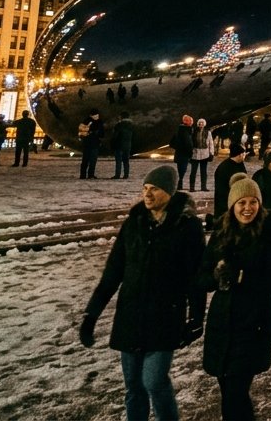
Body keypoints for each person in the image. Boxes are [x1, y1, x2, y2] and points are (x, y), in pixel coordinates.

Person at [78, 165, 206, 420]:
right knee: (133, 387)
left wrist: (196, 318)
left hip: (165, 317)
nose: (147, 194)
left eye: (154, 189)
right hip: (131, 316)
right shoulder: (133, 223)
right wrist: (91, 315)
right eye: (145, 188)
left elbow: (196, 277)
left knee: (154, 381)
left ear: (169, 192)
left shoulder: (187, 226)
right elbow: (113, 273)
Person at [198, 173, 271, 420]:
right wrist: (216, 275)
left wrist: (240, 277)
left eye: (252, 202)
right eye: (242, 203)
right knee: (227, 389)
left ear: (260, 204)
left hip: (253, 321)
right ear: (232, 206)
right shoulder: (221, 232)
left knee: (235, 391)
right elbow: (202, 276)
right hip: (222, 321)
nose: (247, 208)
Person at [213, 141, 249, 221]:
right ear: (239, 155)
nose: (245, 156)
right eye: (244, 154)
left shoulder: (240, 164)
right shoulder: (224, 168)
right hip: (226, 202)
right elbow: (221, 189)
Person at [190, 118, 215, 191]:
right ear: (198, 124)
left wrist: (211, 152)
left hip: (205, 154)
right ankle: (192, 187)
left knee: (203, 172)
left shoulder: (208, 132)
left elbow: (211, 143)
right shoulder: (194, 131)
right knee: (193, 171)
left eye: (202, 123)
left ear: (204, 124)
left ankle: (203, 187)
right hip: (195, 153)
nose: (201, 124)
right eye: (200, 123)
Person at [170, 114, 195, 188]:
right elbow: (188, 144)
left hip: (180, 154)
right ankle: (179, 184)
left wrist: (178, 148)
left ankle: (179, 184)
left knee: (181, 170)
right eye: (190, 121)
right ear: (186, 121)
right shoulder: (185, 131)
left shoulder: (179, 130)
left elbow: (171, 143)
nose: (192, 122)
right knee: (182, 170)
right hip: (184, 154)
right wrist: (190, 154)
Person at [79, 108, 105, 179]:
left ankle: (83, 175)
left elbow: (81, 132)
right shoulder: (99, 122)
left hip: (87, 143)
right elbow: (102, 133)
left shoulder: (86, 121)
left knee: (85, 160)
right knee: (92, 160)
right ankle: (91, 174)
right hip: (94, 143)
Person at [110, 112, 134, 179]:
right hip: (128, 145)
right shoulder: (131, 125)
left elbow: (115, 136)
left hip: (119, 145)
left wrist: (112, 143)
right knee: (126, 161)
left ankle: (117, 175)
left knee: (118, 161)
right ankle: (126, 175)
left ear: (121, 117)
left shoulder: (119, 125)